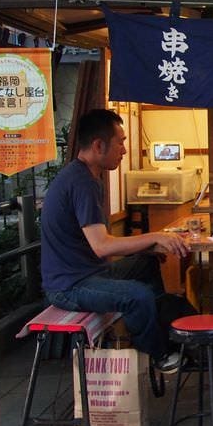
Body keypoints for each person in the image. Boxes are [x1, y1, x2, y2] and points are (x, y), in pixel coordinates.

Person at [41, 108, 192, 372]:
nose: (124, 150)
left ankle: (158, 324)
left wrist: (151, 244)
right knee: (137, 295)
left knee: (146, 263)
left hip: (90, 274)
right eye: (120, 142)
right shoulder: (82, 183)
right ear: (99, 145)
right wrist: (156, 235)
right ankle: (158, 356)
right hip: (69, 286)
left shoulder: (83, 176)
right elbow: (102, 246)